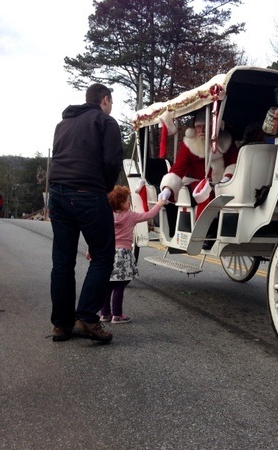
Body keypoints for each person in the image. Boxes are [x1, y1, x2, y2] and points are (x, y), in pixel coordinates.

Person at [48, 83, 123, 343]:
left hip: (57, 193)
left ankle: (62, 324)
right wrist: (105, 188)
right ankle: (87, 318)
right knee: (103, 255)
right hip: (89, 193)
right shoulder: (106, 121)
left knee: (63, 260)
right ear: (105, 99)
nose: (111, 106)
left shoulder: (63, 124)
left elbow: (57, 156)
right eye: (111, 102)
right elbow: (112, 161)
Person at [98, 186, 165, 324]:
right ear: (122, 203)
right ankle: (117, 315)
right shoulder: (130, 216)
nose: (130, 203)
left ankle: (105, 314)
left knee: (107, 285)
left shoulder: (106, 216)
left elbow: (98, 236)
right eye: (129, 201)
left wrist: (90, 250)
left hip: (108, 253)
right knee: (119, 286)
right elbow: (148, 215)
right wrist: (159, 204)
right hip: (123, 255)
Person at [158, 110, 238, 214]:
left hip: (224, 183)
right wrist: (168, 188)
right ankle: (205, 226)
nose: (202, 130)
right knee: (204, 193)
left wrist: (227, 177)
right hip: (197, 182)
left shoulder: (226, 141)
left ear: (213, 127)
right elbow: (179, 167)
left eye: (206, 126)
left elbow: (234, 162)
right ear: (194, 128)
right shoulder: (189, 144)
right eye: (199, 127)